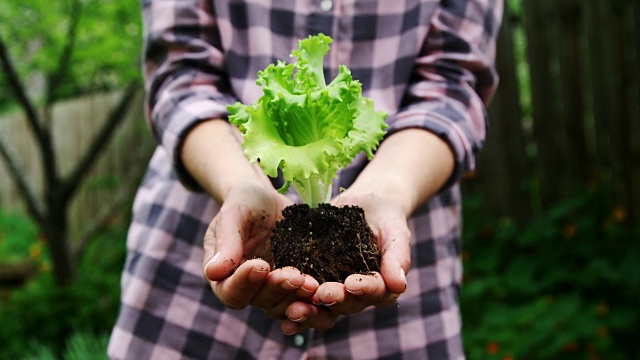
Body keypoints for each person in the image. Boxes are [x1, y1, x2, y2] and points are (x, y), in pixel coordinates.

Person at [108, 0, 502, 359]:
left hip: (404, 301)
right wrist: (241, 183)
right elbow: (182, 73)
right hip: (191, 277)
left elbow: (453, 84)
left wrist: (390, 190)